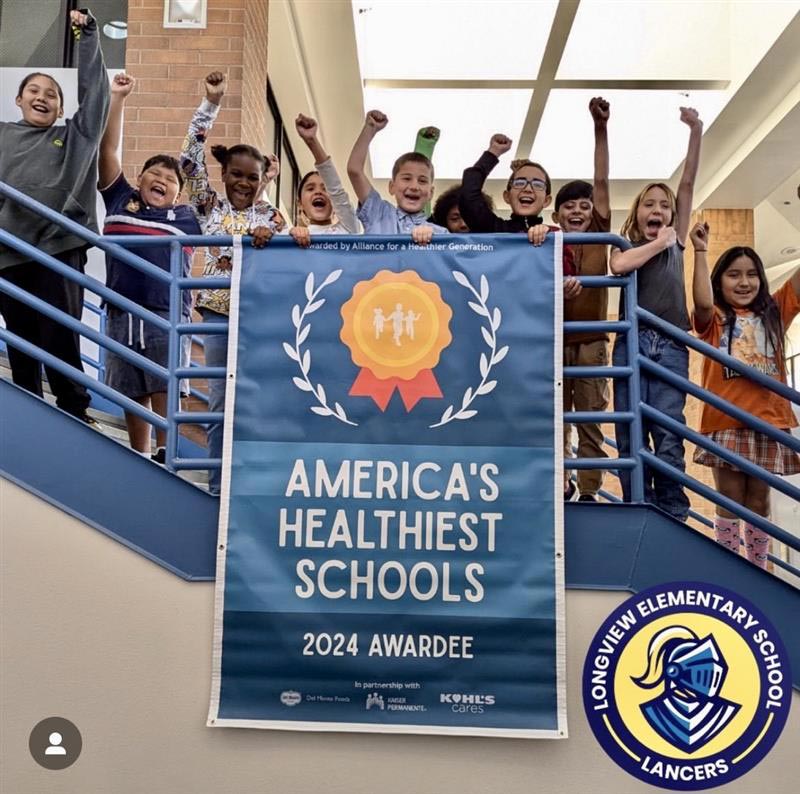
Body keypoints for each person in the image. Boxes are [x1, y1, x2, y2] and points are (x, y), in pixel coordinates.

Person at [0, 10, 109, 425]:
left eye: (52, 93)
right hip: (9, 252)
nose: (43, 96)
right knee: (21, 339)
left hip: (58, 248)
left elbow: (95, 94)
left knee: (61, 334)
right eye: (34, 90)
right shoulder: (3, 134)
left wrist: (87, 38)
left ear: (61, 107)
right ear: (19, 98)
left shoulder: (74, 140)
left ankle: (74, 408)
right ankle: (27, 410)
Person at [180, 71, 284, 494]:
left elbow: (294, 255)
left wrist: (271, 237)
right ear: (224, 176)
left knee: (258, 397)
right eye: (236, 174)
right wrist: (212, 101)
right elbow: (189, 158)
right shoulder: (209, 205)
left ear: (262, 182)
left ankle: (256, 478)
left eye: (252, 178)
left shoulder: (272, 217)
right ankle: (218, 482)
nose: (243, 182)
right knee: (220, 400)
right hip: (217, 312)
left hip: (259, 315)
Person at [98, 73, 201, 461]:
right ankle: (138, 451)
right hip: (121, 306)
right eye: (154, 174)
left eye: (170, 179)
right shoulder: (120, 198)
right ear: (139, 178)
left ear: (178, 190)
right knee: (129, 384)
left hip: (167, 311)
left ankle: (164, 448)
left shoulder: (187, 217)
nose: (161, 180)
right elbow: (107, 153)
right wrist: (118, 99)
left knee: (164, 381)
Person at [609, 107, 704, 521]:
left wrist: (696, 130)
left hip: (670, 344)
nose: (659, 210)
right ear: (637, 213)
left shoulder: (678, 240)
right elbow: (618, 266)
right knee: (631, 433)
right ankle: (636, 504)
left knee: (668, 433)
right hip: (631, 342)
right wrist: (657, 244)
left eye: (664, 206)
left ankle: (673, 511)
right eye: (650, 204)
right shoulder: (627, 243)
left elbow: (687, 182)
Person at [690, 223, 800, 568]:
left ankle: (758, 567)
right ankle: (728, 565)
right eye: (734, 275)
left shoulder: (774, 311)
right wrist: (701, 251)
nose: (744, 282)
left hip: (768, 419)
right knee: (730, 499)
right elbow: (702, 302)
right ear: (720, 280)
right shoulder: (717, 319)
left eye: (752, 275)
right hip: (726, 419)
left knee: (760, 501)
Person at [555, 97, 611, 502]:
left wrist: (600, 129)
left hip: (591, 341)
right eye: (568, 207)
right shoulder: (549, 242)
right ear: (557, 215)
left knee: (590, 419)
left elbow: (602, 180)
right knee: (557, 421)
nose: (577, 212)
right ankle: (560, 485)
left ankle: (590, 489)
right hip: (556, 340)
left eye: (584, 206)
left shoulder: (598, 230)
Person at [458, 133, 579, 289]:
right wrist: (492, 153)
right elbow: (468, 196)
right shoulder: (494, 229)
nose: (528, 189)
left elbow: (568, 277)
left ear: (547, 200)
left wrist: (547, 238)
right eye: (520, 182)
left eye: (537, 184)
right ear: (507, 196)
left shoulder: (555, 235)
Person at [346, 110, 447, 244]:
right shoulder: (378, 213)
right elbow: (354, 170)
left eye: (422, 181)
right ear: (392, 187)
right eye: (406, 178)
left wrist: (434, 240)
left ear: (431, 193)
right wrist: (370, 128)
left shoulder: (441, 233)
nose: (414, 186)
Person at [289, 113, 360, 247]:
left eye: (325, 189)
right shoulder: (288, 237)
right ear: (299, 203)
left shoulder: (348, 230)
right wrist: (289, 234)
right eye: (310, 188)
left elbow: (336, 190)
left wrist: (312, 141)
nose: (318, 192)